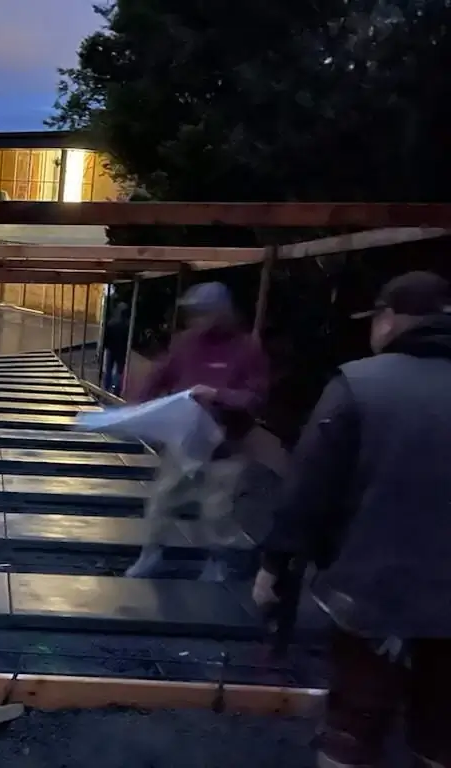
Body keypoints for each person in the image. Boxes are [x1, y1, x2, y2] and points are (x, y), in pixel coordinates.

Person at [252, 271, 451, 768]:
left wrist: (274, 566)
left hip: (374, 594)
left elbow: (309, 489)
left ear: (390, 319)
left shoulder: (361, 384)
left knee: (354, 725)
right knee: (442, 731)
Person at [125, 281, 269, 581]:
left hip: (226, 445)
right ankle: (151, 554)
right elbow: (160, 375)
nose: (196, 320)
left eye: (202, 313)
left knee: (218, 510)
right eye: (193, 314)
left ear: (221, 313)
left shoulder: (246, 349)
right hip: (186, 442)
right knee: (162, 498)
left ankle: (219, 561)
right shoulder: (185, 343)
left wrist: (218, 395)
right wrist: (136, 408)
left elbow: (255, 398)